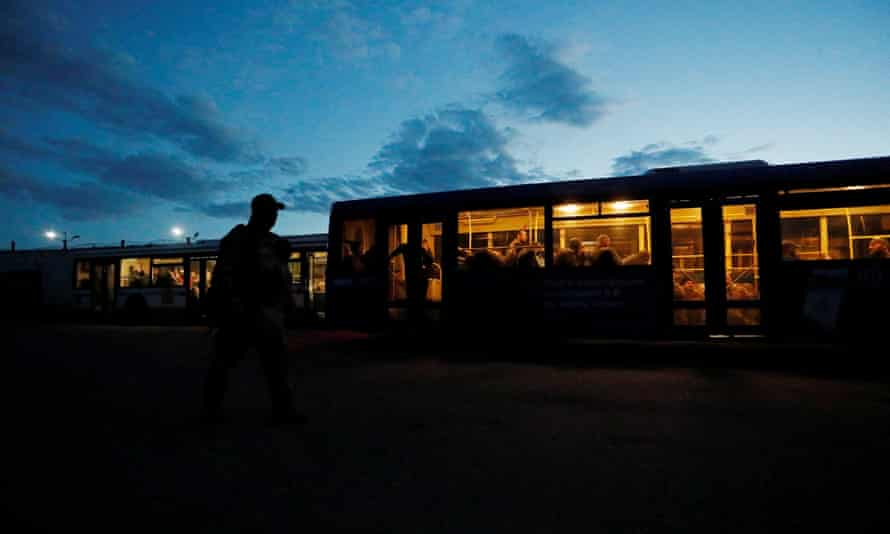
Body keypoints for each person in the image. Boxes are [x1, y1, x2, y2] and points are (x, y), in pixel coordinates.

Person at [200, 193, 301, 426]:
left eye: (276, 212)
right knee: (224, 362)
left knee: (276, 364)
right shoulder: (239, 239)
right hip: (242, 312)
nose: (275, 217)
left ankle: (284, 409)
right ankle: (210, 411)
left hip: (267, 313)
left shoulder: (274, 242)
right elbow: (224, 275)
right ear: (260, 212)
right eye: (272, 212)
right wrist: (230, 305)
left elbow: (281, 277)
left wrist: (288, 305)